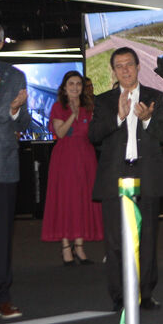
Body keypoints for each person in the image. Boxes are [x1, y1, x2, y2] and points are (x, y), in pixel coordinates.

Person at [88, 47, 163, 312]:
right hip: (115, 176)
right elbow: (93, 135)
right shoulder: (104, 101)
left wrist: (147, 120)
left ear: (138, 67)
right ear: (113, 71)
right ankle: (120, 296)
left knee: (147, 238)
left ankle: (145, 293)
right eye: (119, 66)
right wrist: (118, 117)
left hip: (147, 175)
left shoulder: (154, 96)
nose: (125, 70)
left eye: (129, 65)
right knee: (115, 242)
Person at [0, 20, 29, 320]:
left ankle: (1, 298)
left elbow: (24, 122)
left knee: (1, 236)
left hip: (4, 163)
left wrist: (14, 110)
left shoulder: (15, 75)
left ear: (0, 44)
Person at [41, 70, 103, 266]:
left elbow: (93, 133)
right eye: (71, 84)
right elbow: (60, 133)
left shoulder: (89, 108)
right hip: (65, 159)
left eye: (78, 84)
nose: (75, 87)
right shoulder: (59, 107)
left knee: (83, 200)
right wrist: (73, 115)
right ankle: (66, 248)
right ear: (64, 88)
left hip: (86, 158)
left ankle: (80, 247)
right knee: (66, 201)